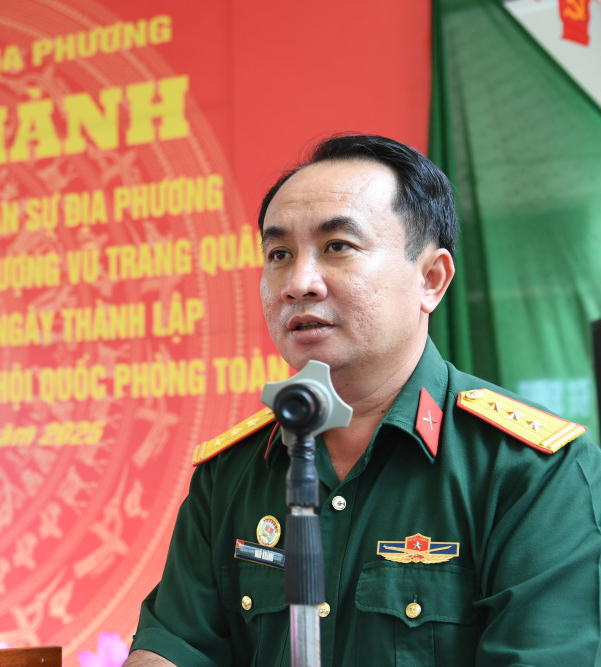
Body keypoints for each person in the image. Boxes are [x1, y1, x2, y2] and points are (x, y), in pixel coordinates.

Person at [124, 134, 601, 666]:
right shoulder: (231, 472)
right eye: (279, 254)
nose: (298, 283)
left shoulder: (533, 472)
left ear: (431, 279)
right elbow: (175, 646)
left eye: (338, 247)